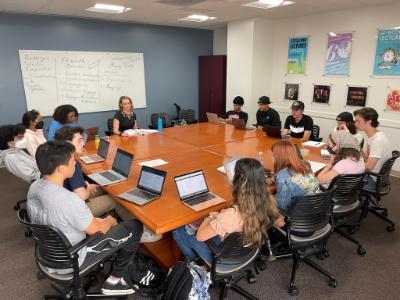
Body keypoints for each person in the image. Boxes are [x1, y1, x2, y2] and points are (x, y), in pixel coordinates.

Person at [27, 141, 143, 295]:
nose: (75, 162)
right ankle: (115, 280)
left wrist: (98, 221)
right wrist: (109, 220)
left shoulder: (34, 187)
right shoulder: (69, 200)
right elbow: (99, 230)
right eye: (72, 160)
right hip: (73, 258)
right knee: (135, 227)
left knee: (100, 220)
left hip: (48, 255)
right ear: (61, 168)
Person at [172, 158, 279, 266]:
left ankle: (195, 265)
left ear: (238, 180)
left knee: (179, 229)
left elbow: (200, 236)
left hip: (224, 261)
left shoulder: (232, 214)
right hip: (248, 252)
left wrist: (210, 217)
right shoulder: (270, 201)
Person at [54, 126, 116, 217]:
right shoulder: (72, 164)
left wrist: (86, 187)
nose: (83, 143)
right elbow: (82, 195)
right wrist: (89, 189)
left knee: (103, 189)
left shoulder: (56, 158)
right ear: (68, 144)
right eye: (79, 140)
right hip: (76, 211)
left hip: (63, 205)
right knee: (113, 199)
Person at [269, 140, 319, 212]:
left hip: (298, 216)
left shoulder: (283, 179)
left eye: (273, 155)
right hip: (317, 208)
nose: (272, 158)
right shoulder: (305, 164)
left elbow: (282, 207)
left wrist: (269, 198)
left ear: (280, 157)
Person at [353, 107, 392, 189]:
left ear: (369, 122)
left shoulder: (377, 141)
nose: (355, 124)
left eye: (358, 121)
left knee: (339, 177)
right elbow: (366, 157)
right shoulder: (374, 136)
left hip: (371, 178)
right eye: (355, 121)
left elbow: (368, 168)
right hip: (373, 174)